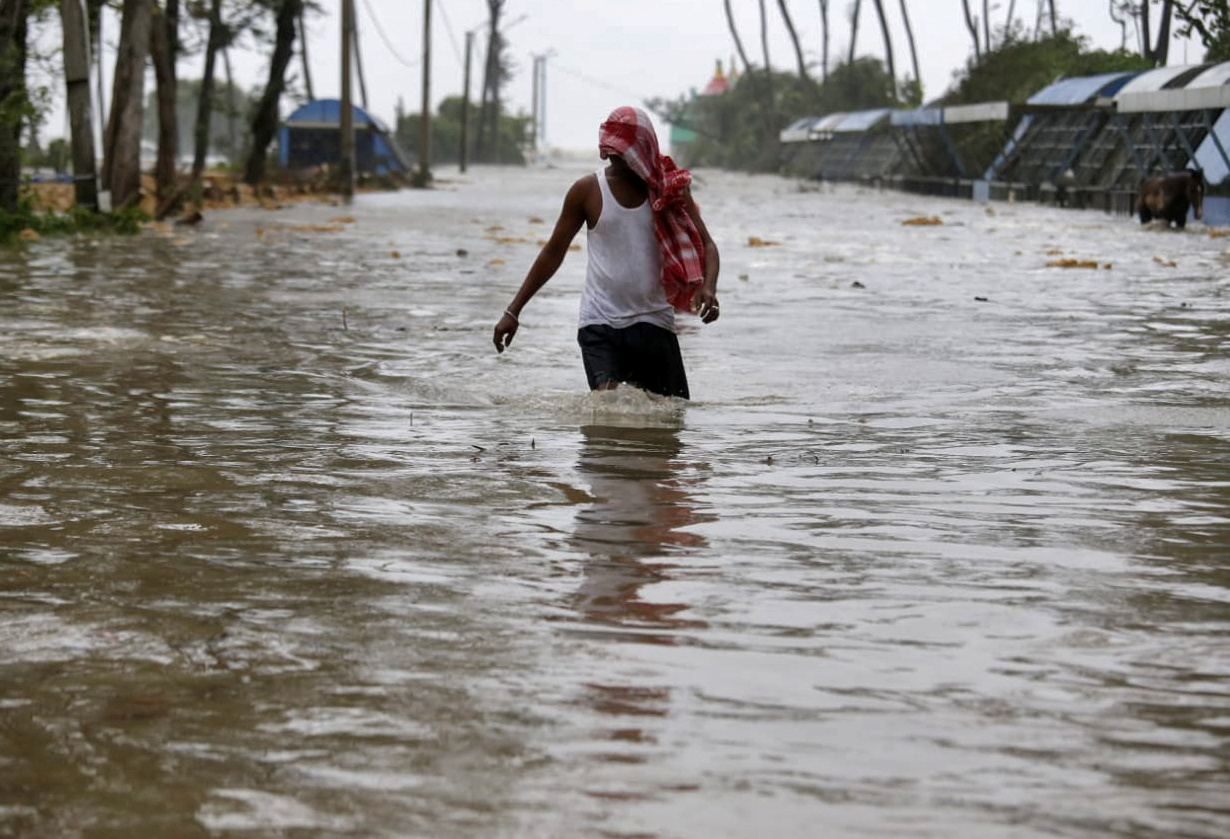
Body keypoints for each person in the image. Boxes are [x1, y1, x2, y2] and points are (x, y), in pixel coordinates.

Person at [492, 106, 720, 399]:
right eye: (612, 152)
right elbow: (553, 253)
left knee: (670, 419)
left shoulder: (670, 191)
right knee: (607, 411)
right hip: (599, 325)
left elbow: (707, 245)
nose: (617, 159)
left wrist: (709, 287)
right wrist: (514, 311)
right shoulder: (587, 191)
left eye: (623, 152)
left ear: (644, 149)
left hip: (654, 323)